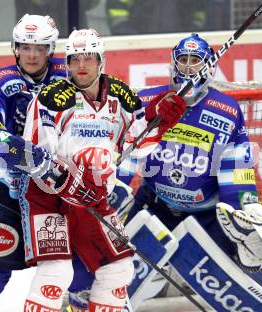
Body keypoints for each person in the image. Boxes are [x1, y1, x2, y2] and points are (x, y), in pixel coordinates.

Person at [69, 33, 262, 311]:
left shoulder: (227, 111)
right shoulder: (146, 101)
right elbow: (125, 152)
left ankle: (251, 264)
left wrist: (245, 209)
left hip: (206, 216)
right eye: (183, 60)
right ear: (172, 63)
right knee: (111, 275)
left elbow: (236, 169)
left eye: (195, 61)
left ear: (208, 66)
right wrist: (114, 187)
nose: (188, 67)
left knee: (241, 265)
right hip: (154, 209)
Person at [16, 28, 186, 311]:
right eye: (75, 59)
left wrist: (158, 119)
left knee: (118, 269)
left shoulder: (122, 98)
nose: (81, 65)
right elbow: (36, 157)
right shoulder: (51, 98)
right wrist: (68, 180)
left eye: (89, 58)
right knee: (56, 272)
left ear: (101, 60)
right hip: (50, 199)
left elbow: (137, 142)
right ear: (67, 64)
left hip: (94, 198)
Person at [0, 14, 65, 312]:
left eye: (40, 48)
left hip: (59, 197)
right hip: (10, 192)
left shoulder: (71, 73)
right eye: (25, 46)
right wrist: (31, 157)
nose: (32, 54)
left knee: (66, 280)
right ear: (15, 47)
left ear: (51, 48)